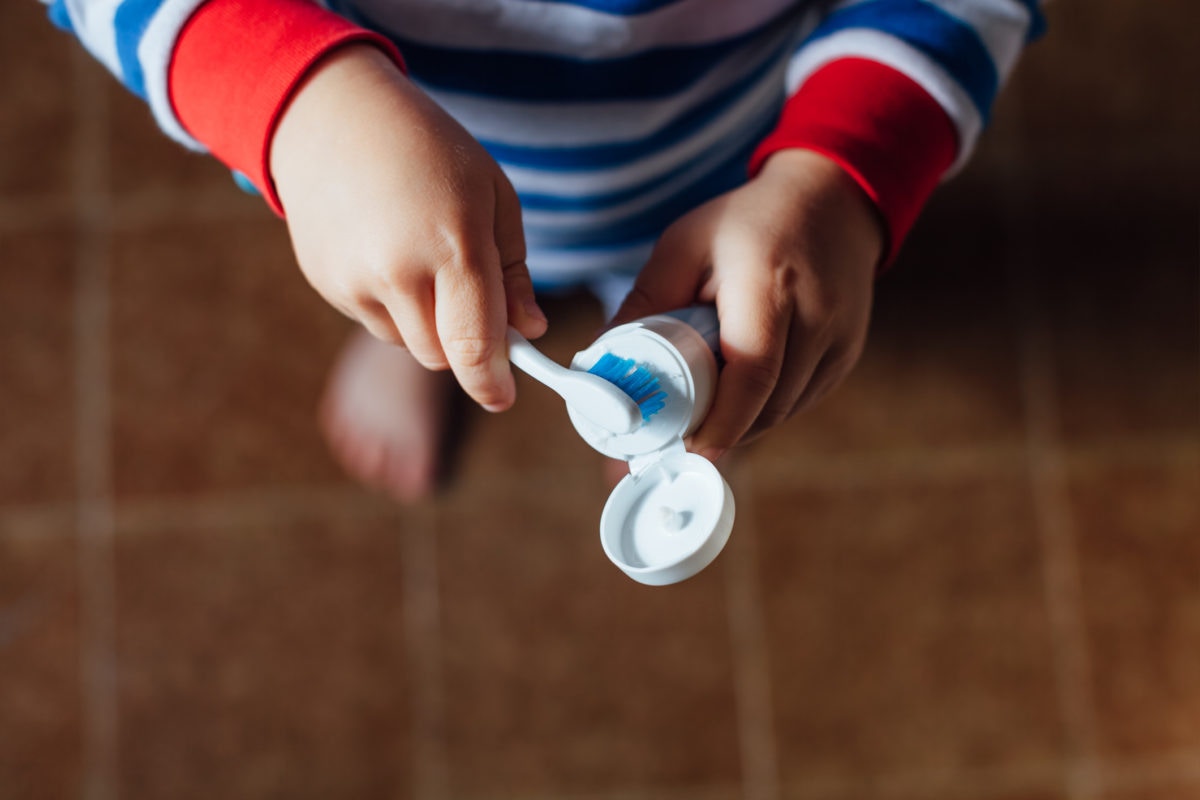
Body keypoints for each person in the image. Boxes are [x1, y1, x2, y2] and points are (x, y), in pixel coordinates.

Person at [46, 0, 1044, 500]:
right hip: (373, 157)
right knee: (429, 288)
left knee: (700, 318)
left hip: (728, 168)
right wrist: (295, 98)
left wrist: (836, 172)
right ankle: (419, 341)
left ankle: (667, 397)